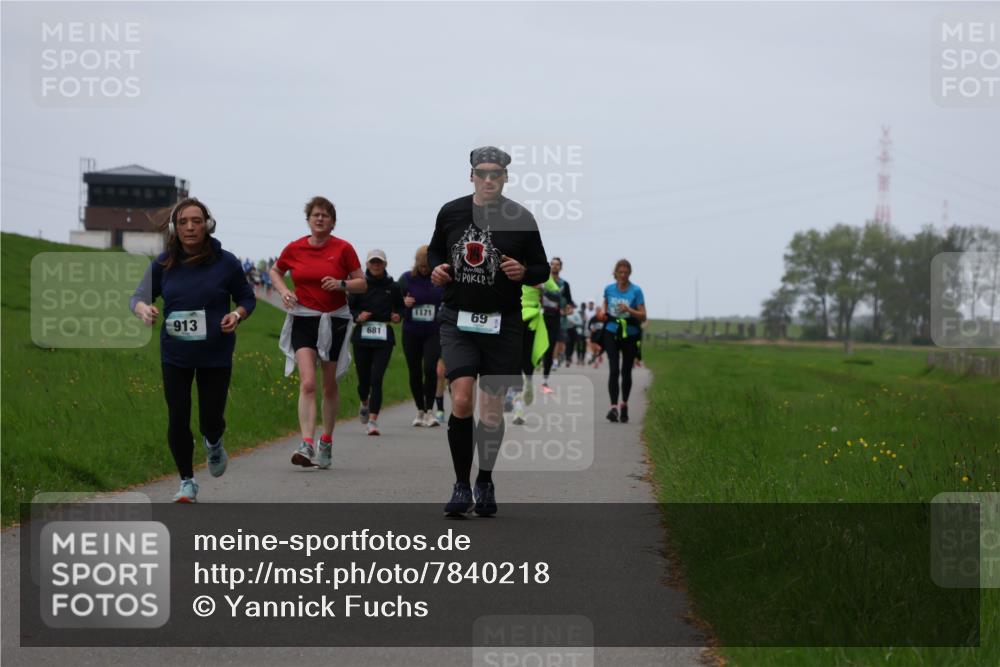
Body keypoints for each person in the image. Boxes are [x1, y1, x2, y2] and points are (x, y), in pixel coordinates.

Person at [428, 146, 549, 517]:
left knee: (492, 411)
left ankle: (485, 479)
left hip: (504, 323)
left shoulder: (521, 218)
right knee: (462, 400)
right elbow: (435, 253)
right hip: (459, 319)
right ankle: (461, 484)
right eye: (482, 173)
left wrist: (524, 274)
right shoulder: (451, 212)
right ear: (471, 176)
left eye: (496, 174)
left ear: (505, 178)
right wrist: (437, 270)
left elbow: (542, 268)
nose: (489, 179)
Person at [131, 198, 256, 503]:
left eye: (196, 221)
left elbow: (247, 298)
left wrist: (236, 315)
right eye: (184, 221)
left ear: (207, 225)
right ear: (175, 227)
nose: (190, 227)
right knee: (177, 416)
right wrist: (144, 310)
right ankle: (187, 481)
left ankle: (213, 441)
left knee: (210, 419)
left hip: (215, 353)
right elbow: (137, 297)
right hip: (176, 354)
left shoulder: (226, 262)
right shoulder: (163, 264)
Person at [271, 196, 366, 469]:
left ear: (333, 222)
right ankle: (306, 443)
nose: (320, 218)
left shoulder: (344, 248)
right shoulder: (295, 247)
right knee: (308, 383)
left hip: (334, 320)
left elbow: (362, 284)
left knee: (329, 384)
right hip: (303, 318)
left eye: (325, 215)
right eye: (315, 214)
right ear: (308, 219)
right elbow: (276, 271)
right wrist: (284, 290)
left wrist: (341, 283)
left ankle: (326, 440)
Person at [349, 249, 404, 436]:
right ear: (367, 265)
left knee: (376, 379)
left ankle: (373, 421)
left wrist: (398, 316)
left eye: (379, 262)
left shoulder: (393, 286)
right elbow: (351, 308)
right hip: (362, 337)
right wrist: (358, 316)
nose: (376, 265)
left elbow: (401, 308)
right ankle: (364, 402)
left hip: (383, 336)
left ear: (385, 265)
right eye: (373, 262)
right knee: (363, 380)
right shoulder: (359, 285)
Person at [398, 245, 445, 428]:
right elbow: (394, 303)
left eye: (427, 265)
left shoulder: (439, 280)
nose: (424, 269)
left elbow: (449, 299)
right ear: (416, 263)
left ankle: (430, 410)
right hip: (411, 332)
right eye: (421, 265)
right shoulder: (407, 279)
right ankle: (420, 409)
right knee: (414, 370)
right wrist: (403, 302)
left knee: (430, 368)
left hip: (433, 332)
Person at [602, 259, 646, 424]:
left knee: (626, 371)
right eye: (620, 272)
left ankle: (624, 405)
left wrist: (629, 310)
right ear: (616, 273)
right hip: (611, 331)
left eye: (626, 273)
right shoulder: (609, 289)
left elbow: (644, 315)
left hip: (631, 333)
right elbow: (604, 307)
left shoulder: (636, 291)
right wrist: (601, 312)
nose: (623, 275)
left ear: (630, 274)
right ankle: (613, 407)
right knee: (614, 369)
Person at [539, 257, 572, 391]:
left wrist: (567, 311)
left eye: (557, 265)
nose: (554, 266)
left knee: (550, 347)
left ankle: (545, 381)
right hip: (540, 315)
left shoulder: (564, 284)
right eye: (552, 264)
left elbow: (569, 303)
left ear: (560, 267)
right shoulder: (542, 281)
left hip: (556, 317)